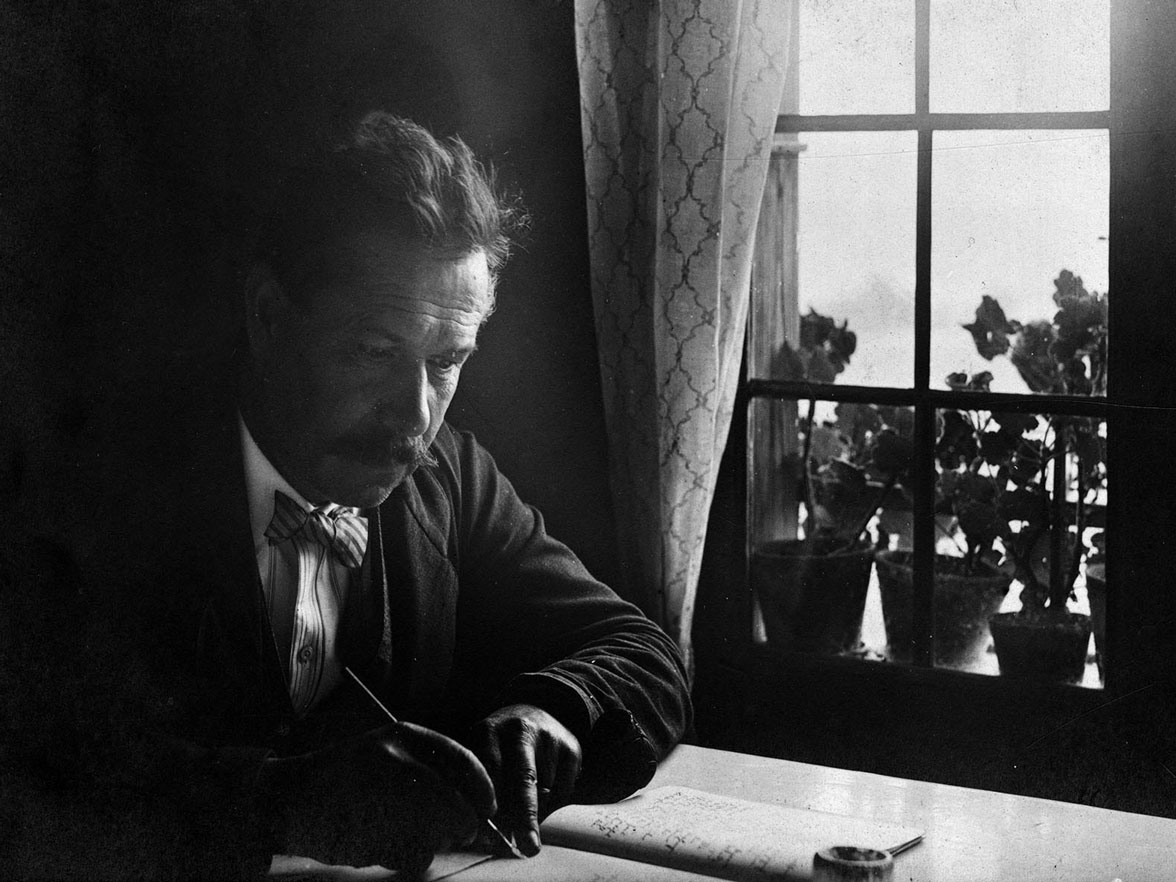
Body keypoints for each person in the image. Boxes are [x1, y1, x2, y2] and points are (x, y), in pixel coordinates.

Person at [2, 112, 691, 880]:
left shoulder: (451, 479)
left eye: (446, 360)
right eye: (374, 351)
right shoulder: (85, 495)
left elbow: (642, 652)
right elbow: (31, 785)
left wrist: (556, 706)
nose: (416, 415)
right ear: (268, 316)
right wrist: (281, 803)